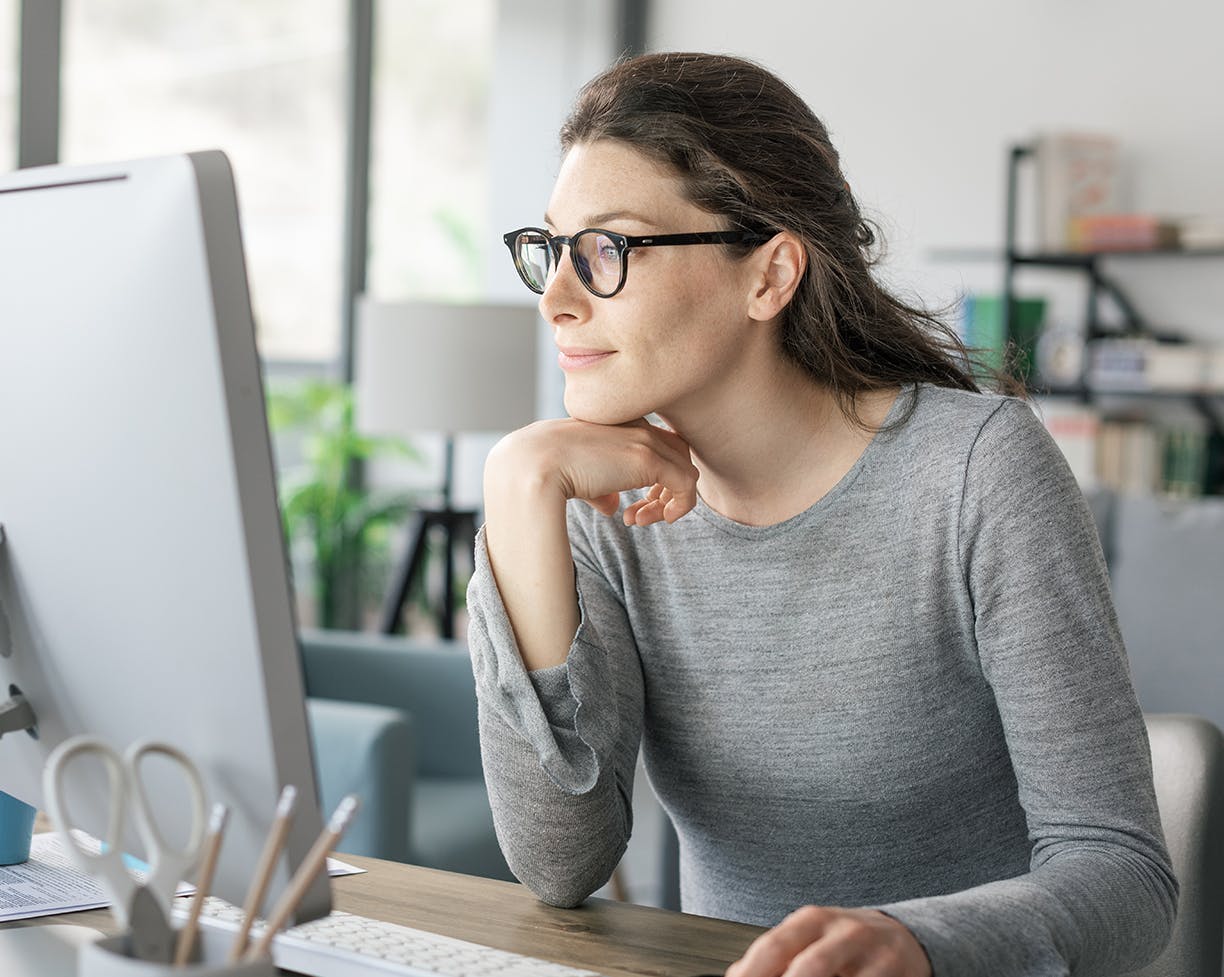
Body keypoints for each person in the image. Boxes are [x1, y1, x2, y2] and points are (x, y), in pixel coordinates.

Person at [466, 51, 1176, 977]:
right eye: (553, 248)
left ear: (769, 275)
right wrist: (519, 490)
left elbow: (1124, 875)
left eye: (609, 250)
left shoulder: (977, 472)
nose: (557, 297)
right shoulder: (601, 502)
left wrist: (918, 941)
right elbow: (559, 863)